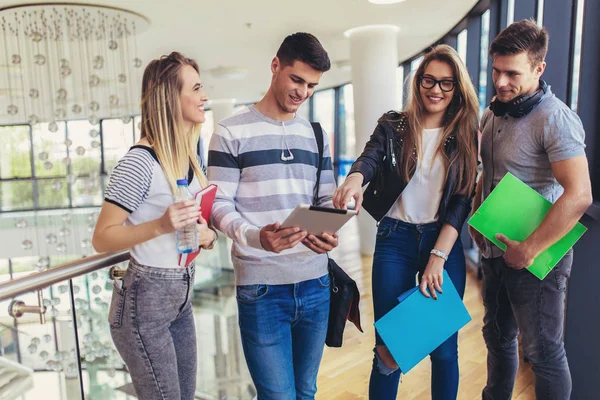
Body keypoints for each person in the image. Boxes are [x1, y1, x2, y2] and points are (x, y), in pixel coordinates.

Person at [334, 44, 479, 400]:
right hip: (394, 240)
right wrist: (355, 178)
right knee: (388, 352)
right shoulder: (394, 125)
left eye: (446, 83)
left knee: (444, 350)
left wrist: (438, 256)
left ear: (457, 89)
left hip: (441, 242)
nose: (436, 89)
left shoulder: (464, 133)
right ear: (418, 82)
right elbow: (370, 156)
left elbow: (461, 201)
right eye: (429, 80)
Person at [207, 32, 337, 399]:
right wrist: (255, 236)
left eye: (312, 85)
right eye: (297, 80)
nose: (303, 92)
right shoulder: (231, 130)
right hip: (261, 289)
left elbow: (326, 197)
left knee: (305, 392)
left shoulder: (316, 133)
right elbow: (218, 207)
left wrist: (328, 230)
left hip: (316, 282)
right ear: (275, 65)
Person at [469, 19, 592, 400]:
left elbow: (579, 195)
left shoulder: (554, 118)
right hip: (495, 250)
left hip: (535, 259)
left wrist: (530, 249)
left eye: (512, 73)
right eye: (496, 71)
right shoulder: (492, 114)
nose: (501, 82)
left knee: (544, 353)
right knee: (498, 338)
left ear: (539, 69)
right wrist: (476, 215)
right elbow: (487, 174)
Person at [92, 52, 218, 400]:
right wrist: (162, 225)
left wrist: (208, 236)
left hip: (181, 295)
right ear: (169, 98)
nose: (204, 96)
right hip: (143, 306)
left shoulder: (190, 155)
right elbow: (102, 238)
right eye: (196, 88)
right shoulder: (138, 163)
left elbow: (200, 226)